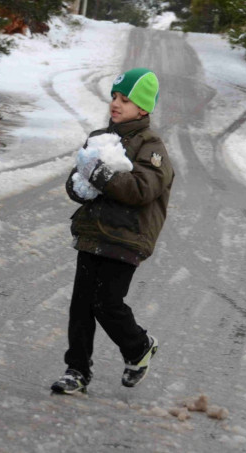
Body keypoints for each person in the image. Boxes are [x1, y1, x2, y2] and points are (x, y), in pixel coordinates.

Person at [51, 67, 174, 395]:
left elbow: (141, 189)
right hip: (93, 232)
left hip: (127, 237)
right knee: (81, 305)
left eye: (126, 99)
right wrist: (79, 186)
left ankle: (139, 346)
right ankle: (77, 369)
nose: (116, 104)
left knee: (106, 302)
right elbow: (78, 178)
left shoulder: (152, 147)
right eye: (115, 97)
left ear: (143, 108)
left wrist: (101, 176)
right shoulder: (100, 139)